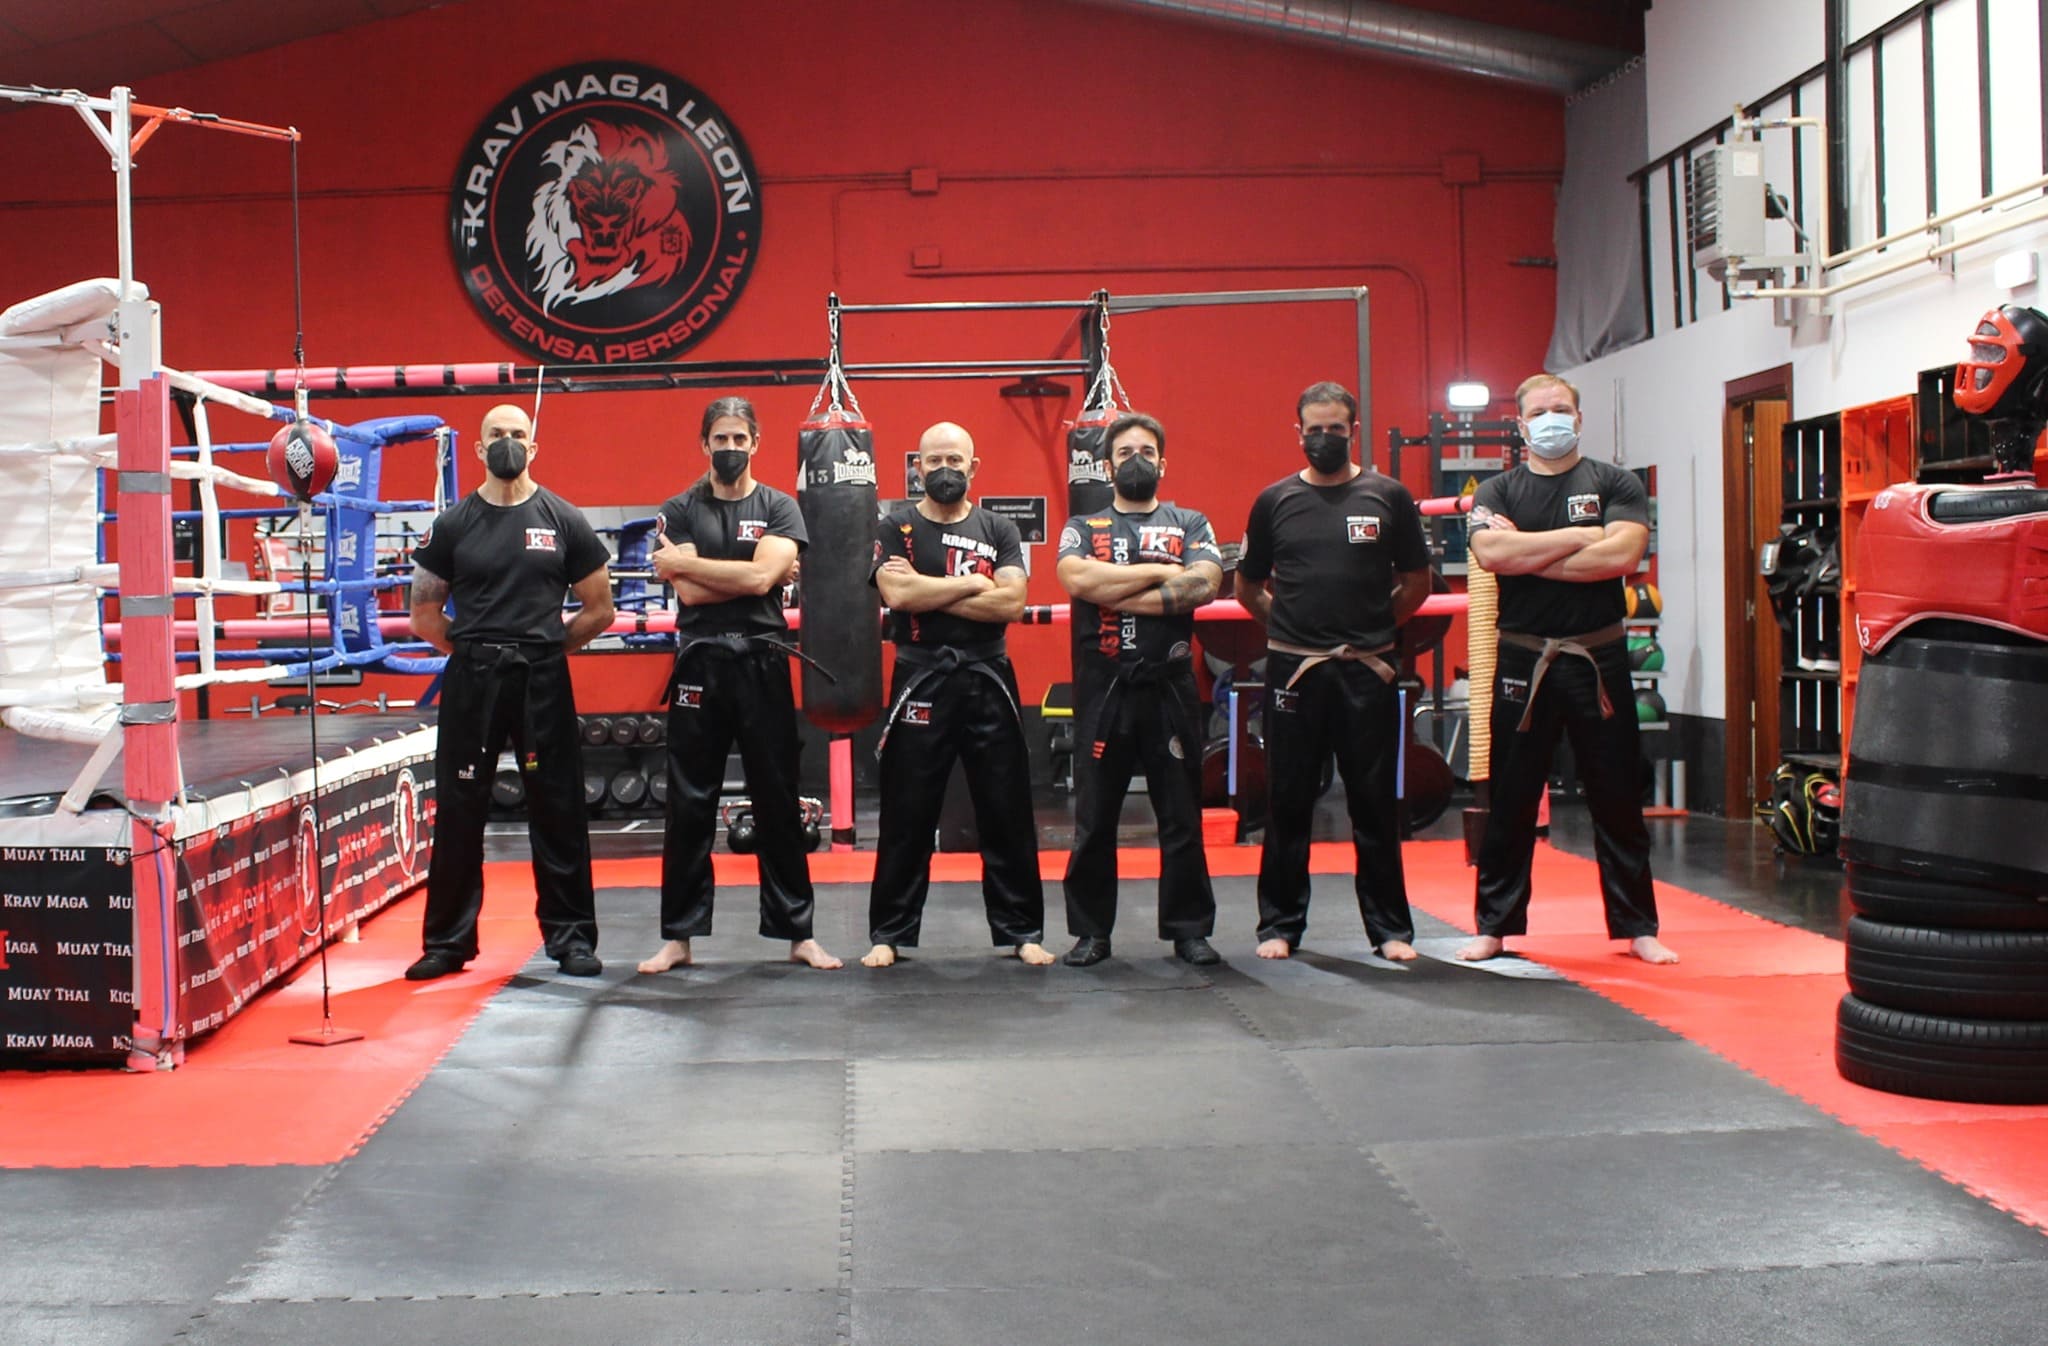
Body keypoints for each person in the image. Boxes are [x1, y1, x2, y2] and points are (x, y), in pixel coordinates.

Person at [1457, 374, 1678, 965]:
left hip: (1597, 654)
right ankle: (1495, 925)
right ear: (1521, 425)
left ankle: (1638, 926)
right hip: (1522, 657)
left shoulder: (1614, 481)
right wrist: (1582, 538)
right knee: (1510, 796)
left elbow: (1623, 555)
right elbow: (1490, 554)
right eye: (1539, 411)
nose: (1551, 418)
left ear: (1578, 419)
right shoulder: (1498, 491)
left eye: (1562, 409)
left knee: (1616, 793)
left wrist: (1529, 553)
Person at [405, 404, 614, 980]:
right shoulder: (453, 524)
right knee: (459, 809)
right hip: (474, 678)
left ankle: (571, 938)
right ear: (479, 449)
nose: (507, 442)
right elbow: (424, 614)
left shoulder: (563, 518)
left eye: (517, 434)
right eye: (496, 435)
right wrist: (476, 651)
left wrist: (543, 649)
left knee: (559, 808)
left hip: (541, 676)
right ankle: (447, 943)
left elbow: (599, 610)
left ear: (534, 446)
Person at [636, 397, 843, 975]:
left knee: (777, 799)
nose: (729, 450)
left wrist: (693, 564)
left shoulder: (780, 507)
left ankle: (798, 934)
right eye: (719, 440)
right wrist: (748, 577)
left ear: (756, 443)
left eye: (739, 440)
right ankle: (678, 937)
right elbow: (696, 595)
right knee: (690, 801)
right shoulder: (677, 509)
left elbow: (760, 576)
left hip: (763, 661)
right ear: (704, 443)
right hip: (699, 664)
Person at [1234, 381, 1431, 962]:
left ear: (1353, 431)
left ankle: (1391, 929)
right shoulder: (1273, 501)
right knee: (1288, 800)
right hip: (1294, 671)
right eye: (1313, 430)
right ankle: (1280, 926)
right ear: (1298, 433)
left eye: (1334, 429)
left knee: (1374, 801)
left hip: (1367, 669)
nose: (1324, 439)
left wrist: (1371, 630)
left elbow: (1417, 584)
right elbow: (1247, 586)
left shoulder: (1388, 497)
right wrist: (1290, 629)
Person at [862, 422, 1054, 969]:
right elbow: (897, 594)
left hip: (989, 677)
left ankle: (1021, 930)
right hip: (921, 677)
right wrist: (974, 584)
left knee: (1006, 806)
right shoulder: (894, 525)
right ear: (917, 467)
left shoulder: (999, 528)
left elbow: (1011, 605)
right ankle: (889, 933)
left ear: (974, 468)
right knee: (907, 809)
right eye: (934, 459)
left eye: (955, 460)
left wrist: (930, 592)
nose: (944, 468)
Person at [1055, 412, 1224, 966]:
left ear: (1163, 461)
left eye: (1146, 451)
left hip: (1170, 688)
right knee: (1095, 818)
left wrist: (1116, 591)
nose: (1136, 461)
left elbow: (1204, 582)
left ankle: (1189, 930)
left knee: (1180, 816)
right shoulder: (1083, 526)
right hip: (1104, 687)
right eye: (1125, 452)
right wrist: (1159, 572)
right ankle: (1090, 932)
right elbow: (1076, 579)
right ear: (1106, 466)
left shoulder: (1189, 521)